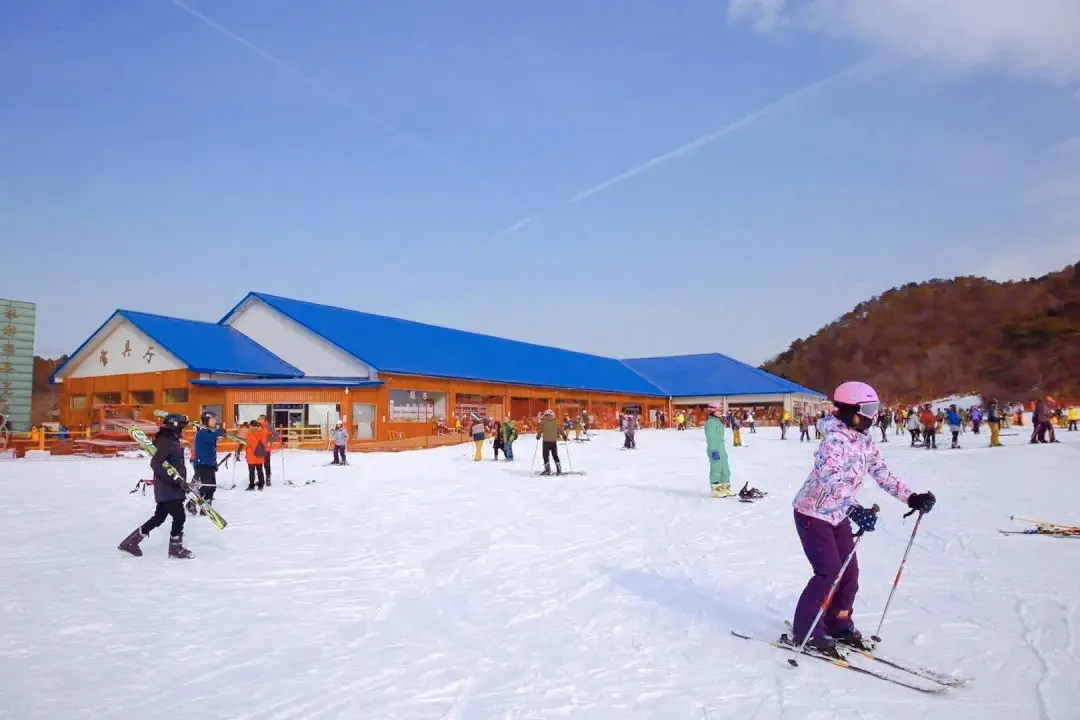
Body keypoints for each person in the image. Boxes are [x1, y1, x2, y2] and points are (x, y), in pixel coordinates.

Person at [789, 382, 936, 656]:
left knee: (849, 574)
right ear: (849, 410)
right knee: (828, 572)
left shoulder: (863, 440)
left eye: (874, 409)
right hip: (812, 513)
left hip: (839, 514)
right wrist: (854, 508)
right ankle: (806, 630)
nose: (872, 415)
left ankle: (838, 621)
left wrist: (911, 497)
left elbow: (881, 472)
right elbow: (829, 476)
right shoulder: (833, 439)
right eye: (867, 409)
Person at [118, 413, 194, 559]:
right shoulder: (166, 441)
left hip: (169, 488)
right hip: (169, 489)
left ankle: (130, 542)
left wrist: (182, 481)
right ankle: (175, 549)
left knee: (159, 518)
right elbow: (156, 464)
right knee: (179, 516)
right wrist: (175, 480)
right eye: (182, 427)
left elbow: (173, 465)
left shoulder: (171, 440)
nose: (183, 430)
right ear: (175, 426)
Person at [187, 411, 225, 515]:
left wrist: (214, 463)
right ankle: (191, 502)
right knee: (207, 486)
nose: (215, 422)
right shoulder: (201, 433)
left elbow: (211, 450)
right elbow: (211, 438)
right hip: (202, 464)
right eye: (213, 420)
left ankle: (206, 507)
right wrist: (219, 432)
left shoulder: (209, 433)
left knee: (212, 487)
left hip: (209, 464)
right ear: (206, 421)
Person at [704, 403, 732, 497]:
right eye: (718, 410)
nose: (720, 412)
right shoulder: (710, 423)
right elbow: (711, 438)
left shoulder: (719, 421)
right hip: (714, 448)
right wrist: (714, 450)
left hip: (721, 447)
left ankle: (725, 486)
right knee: (716, 468)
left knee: (725, 467)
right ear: (712, 411)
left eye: (720, 410)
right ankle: (716, 488)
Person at [536, 409, 567, 475]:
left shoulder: (543, 421)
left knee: (545, 456)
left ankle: (547, 470)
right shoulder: (555, 421)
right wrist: (564, 435)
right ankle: (559, 469)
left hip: (546, 442)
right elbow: (560, 429)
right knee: (555, 455)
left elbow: (540, 430)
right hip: (553, 442)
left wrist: (538, 436)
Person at [244, 420, 268, 490]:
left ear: (251, 426)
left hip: (251, 455)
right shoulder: (263, 433)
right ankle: (261, 484)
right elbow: (264, 443)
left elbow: (247, 445)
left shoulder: (250, 434)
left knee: (251, 471)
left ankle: (251, 485)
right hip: (260, 454)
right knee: (260, 470)